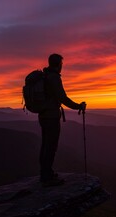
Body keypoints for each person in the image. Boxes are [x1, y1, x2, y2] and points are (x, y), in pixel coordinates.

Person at [39, 53, 86, 186]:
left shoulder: (45, 76)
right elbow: (63, 98)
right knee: (51, 146)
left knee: (45, 145)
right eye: (61, 64)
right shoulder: (54, 78)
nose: (62, 67)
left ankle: (45, 172)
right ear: (59, 64)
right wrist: (78, 106)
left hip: (43, 116)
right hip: (51, 117)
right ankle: (47, 176)